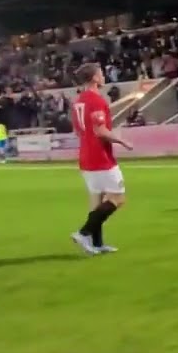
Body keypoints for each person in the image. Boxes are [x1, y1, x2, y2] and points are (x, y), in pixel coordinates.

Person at [70, 62, 133, 256]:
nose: (104, 77)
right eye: (102, 74)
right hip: (100, 157)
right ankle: (83, 233)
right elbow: (100, 130)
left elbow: (77, 130)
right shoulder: (96, 100)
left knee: (97, 202)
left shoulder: (78, 101)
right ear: (95, 78)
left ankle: (97, 244)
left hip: (86, 157)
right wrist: (122, 141)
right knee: (119, 198)